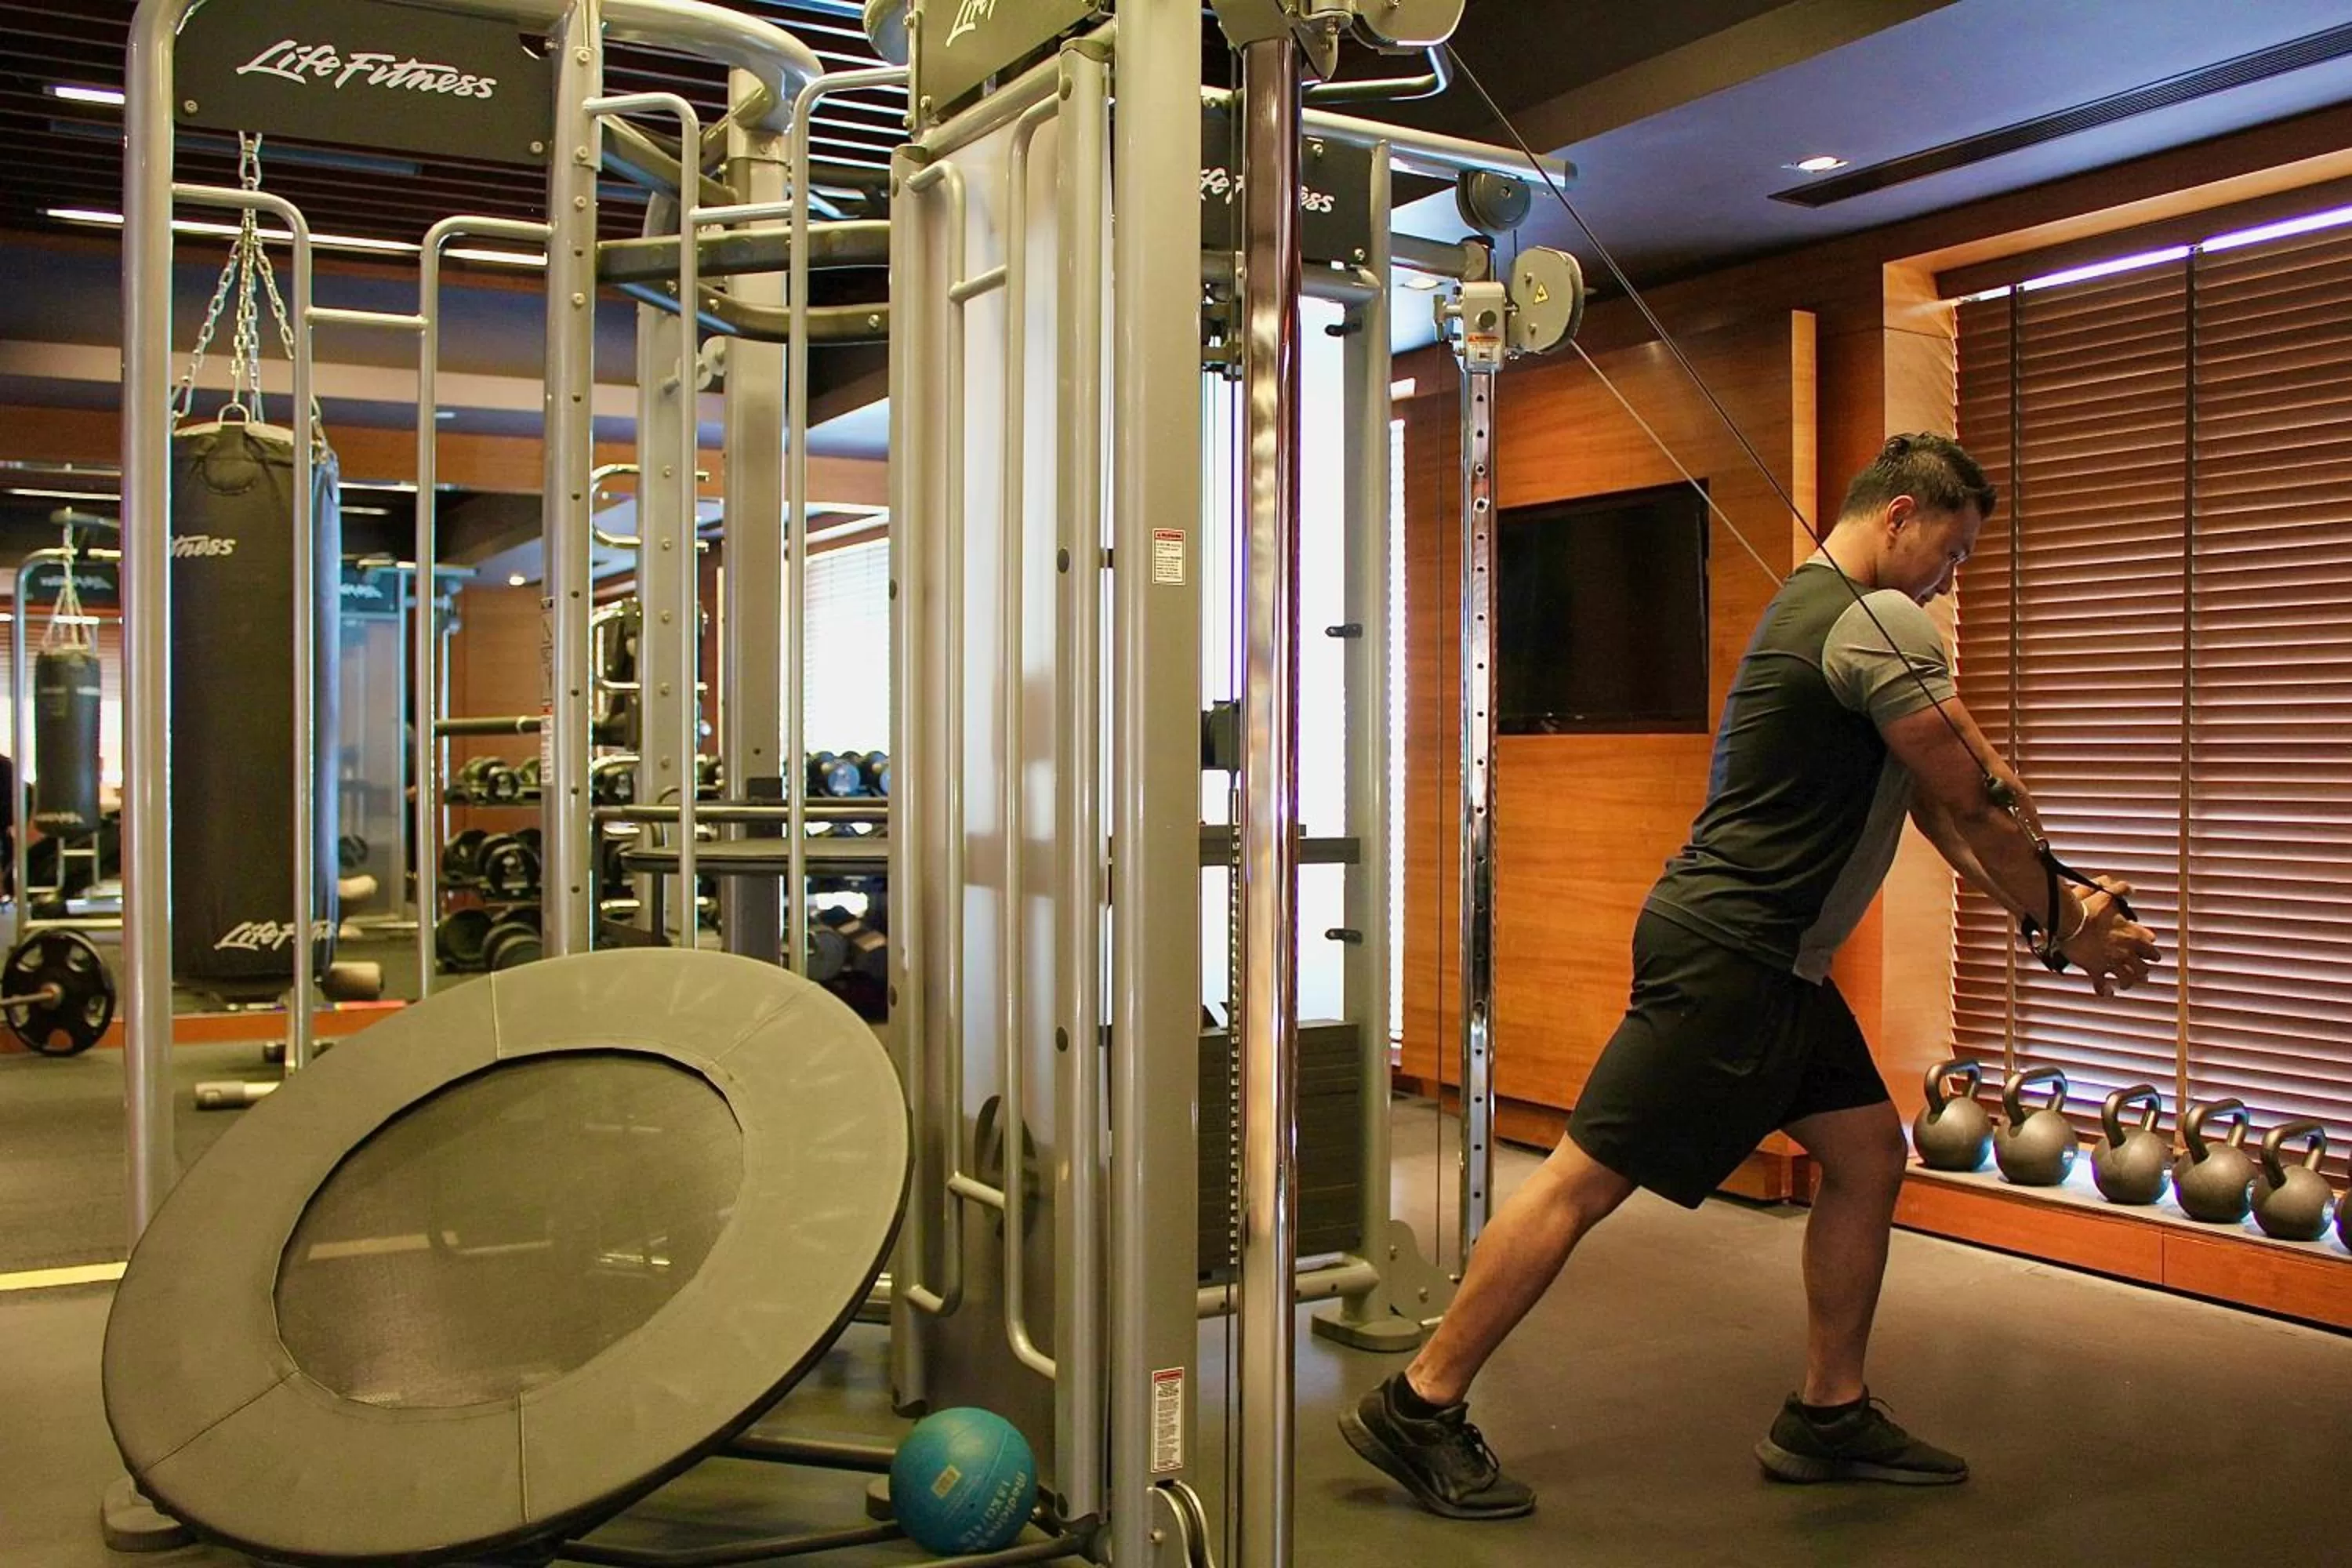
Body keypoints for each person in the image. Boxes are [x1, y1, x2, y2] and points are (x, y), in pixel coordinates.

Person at [1341, 433, 2162, 1519]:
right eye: (1952, 553)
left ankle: (1829, 1411)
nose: (1949, 581)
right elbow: (1982, 793)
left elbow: (1937, 805)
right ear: (1902, 515)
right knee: (1584, 1180)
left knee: (1868, 1153)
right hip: (1731, 957)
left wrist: (2054, 911)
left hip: (1779, 964)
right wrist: (2070, 922)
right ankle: (1423, 1399)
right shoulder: (1879, 620)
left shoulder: (1819, 613)